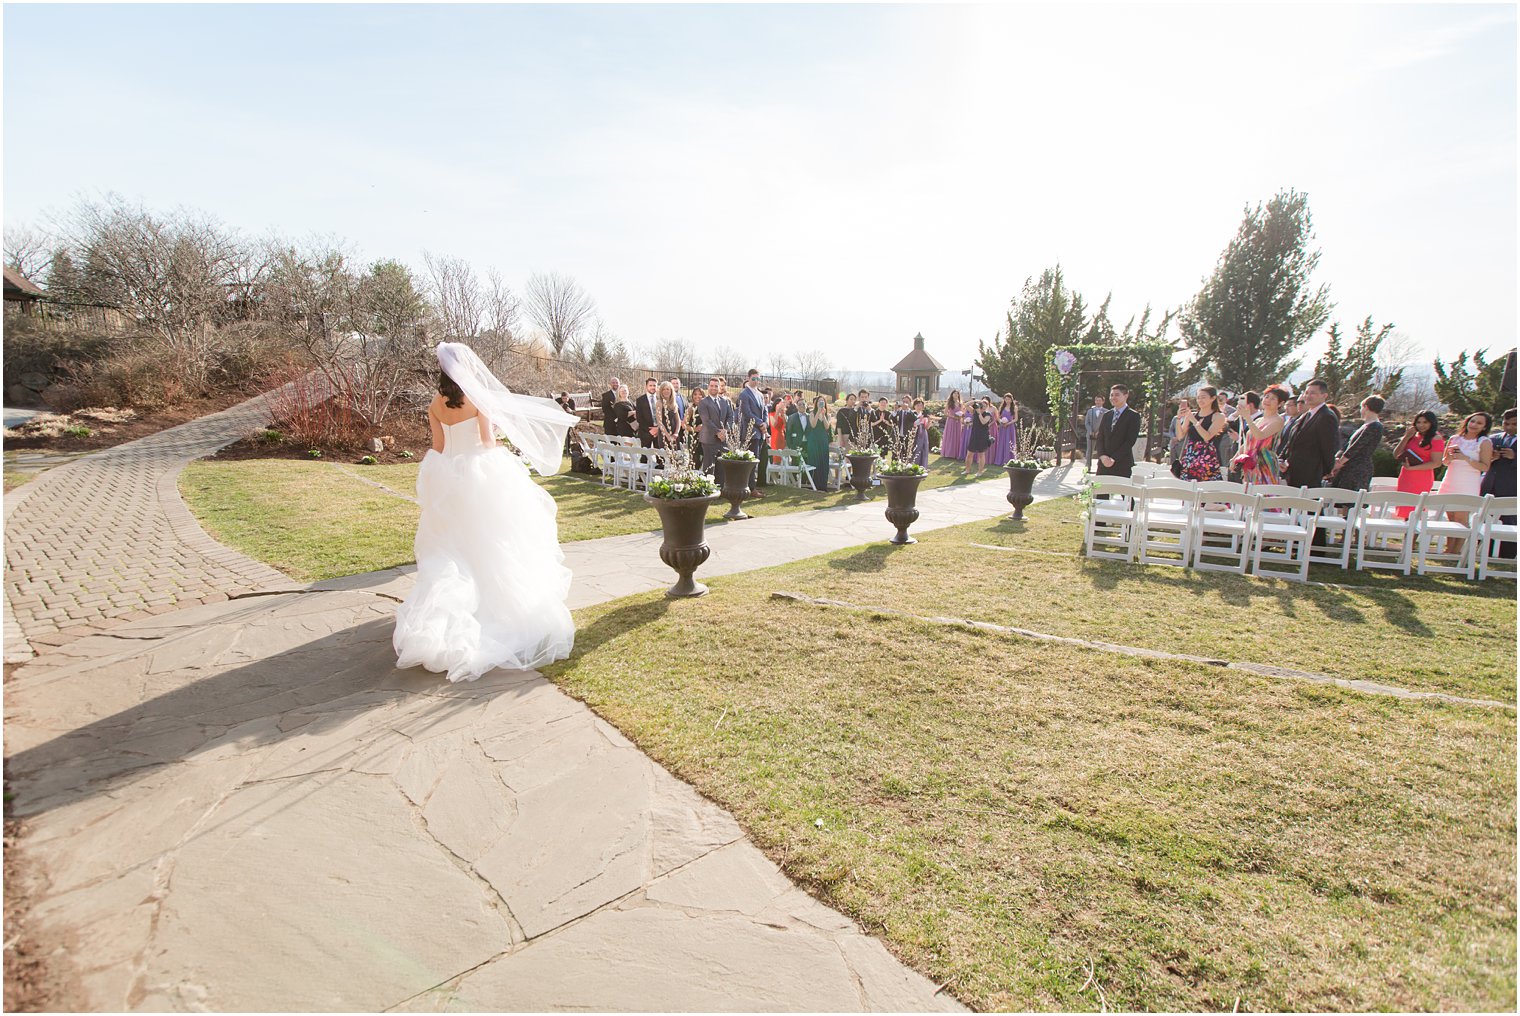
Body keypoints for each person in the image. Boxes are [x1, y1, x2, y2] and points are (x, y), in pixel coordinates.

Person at [393, 342, 576, 682]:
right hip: (479, 476)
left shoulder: (435, 403)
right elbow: (487, 442)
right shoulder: (479, 399)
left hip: (449, 477)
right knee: (493, 542)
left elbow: (439, 447)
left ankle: (444, 622)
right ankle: (494, 612)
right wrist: (503, 444)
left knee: (454, 545)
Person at [1438, 411, 1494, 555]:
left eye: (1479, 423)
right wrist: (1450, 457)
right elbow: (1444, 462)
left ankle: (1457, 552)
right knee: (1450, 518)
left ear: (1484, 427)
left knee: (1461, 518)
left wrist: (1465, 458)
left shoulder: (1484, 442)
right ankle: (1448, 549)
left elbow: (1485, 466)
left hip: (1468, 483)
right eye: (1473, 421)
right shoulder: (1455, 438)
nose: (1474, 425)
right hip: (1450, 480)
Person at [1283, 379, 1340, 490]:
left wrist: (1326, 470)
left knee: (1307, 505)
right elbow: (1292, 441)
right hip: (1294, 471)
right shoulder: (1305, 415)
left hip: (1311, 473)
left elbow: (1329, 446)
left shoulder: (1326, 416)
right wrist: (1283, 459)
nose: (1308, 396)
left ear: (1324, 395)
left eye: (1313, 393)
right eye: (1307, 393)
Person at [1393, 410, 1444, 519]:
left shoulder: (1436, 438)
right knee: (1405, 508)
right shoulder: (1412, 436)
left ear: (1431, 423)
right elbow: (1396, 454)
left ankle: (1414, 534)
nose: (1421, 425)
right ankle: (1407, 534)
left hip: (1421, 477)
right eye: (1418, 422)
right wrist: (1406, 437)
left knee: (1417, 510)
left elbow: (1437, 463)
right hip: (1406, 475)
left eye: (1425, 422)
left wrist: (1413, 468)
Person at [1234, 385, 1289, 486]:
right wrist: (1235, 457)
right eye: (1267, 397)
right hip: (1249, 462)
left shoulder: (1278, 420)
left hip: (1265, 463)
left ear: (1281, 403)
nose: (1268, 400)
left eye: (1273, 399)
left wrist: (1247, 418)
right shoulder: (1259, 420)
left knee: (1265, 494)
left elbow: (1260, 435)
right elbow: (1248, 441)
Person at [1480, 408, 1517, 557]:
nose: (1509, 427)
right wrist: (1491, 457)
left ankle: (1506, 553)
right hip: (1490, 484)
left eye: (1514, 424)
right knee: (1486, 517)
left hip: (1512, 487)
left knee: (1509, 520)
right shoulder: (1494, 439)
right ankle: (1484, 550)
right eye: (1506, 423)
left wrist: (1514, 457)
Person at [1328, 394, 1385, 491]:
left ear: (1366, 407)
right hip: (1348, 466)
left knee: (1347, 501)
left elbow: (1356, 447)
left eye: (1361, 407)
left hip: (1358, 469)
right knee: (1338, 499)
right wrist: (1337, 458)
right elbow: (1348, 445)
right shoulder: (1366, 425)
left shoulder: (1375, 426)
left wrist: (1339, 463)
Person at [1175, 386, 1226, 481]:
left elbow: (1207, 437)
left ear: (1213, 398)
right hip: (1189, 456)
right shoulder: (1192, 415)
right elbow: (1180, 436)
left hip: (1207, 457)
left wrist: (1194, 421)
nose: (1200, 400)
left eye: (1203, 397)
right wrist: (1178, 418)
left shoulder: (1218, 416)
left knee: (1207, 486)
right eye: (1198, 397)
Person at [1096, 384, 1142, 478]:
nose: (1113, 397)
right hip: (1103, 464)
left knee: (1122, 491)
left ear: (1125, 396)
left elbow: (1130, 441)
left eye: (1117, 395)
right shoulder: (1107, 415)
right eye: (1111, 395)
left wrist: (1113, 459)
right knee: (1100, 491)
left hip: (1122, 464)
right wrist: (1102, 456)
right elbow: (1100, 438)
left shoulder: (1133, 416)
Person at [739, 370, 769, 495]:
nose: (756, 381)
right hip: (750, 433)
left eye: (758, 379)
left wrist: (765, 423)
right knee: (751, 462)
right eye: (753, 378)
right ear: (748, 378)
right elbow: (747, 413)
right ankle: (750, 488)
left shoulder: (760, 394)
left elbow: (765, 411)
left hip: (760, 433)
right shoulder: (744, 394)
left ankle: (753, 486)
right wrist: (760, 423)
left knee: (756, 461)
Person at [697, 377, 732, 471]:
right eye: (711, 386)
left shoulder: (725, 401)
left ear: (720, 387)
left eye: (716, 386)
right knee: (709, 468)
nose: (714, 388)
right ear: (708, 387)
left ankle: (720, 486)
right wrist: (718, 432)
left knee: (722, 469)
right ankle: (708, 486)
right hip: (709, 440)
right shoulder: (703, 402)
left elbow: (730, 417)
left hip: (723, 440)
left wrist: (725, 431)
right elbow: (706, 421)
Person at [805, 396, 835, 489]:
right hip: (814, 439)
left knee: (823, 461)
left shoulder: (828, 415)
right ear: (816, 403)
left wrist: (824, 415)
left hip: (823, 439)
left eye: (822, 401)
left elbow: (826, 427)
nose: (821, 403)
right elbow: (813, 425)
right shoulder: (811, 413)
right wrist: (818, 412)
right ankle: (813, 484)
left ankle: (822, 484)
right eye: (819, 402)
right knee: (814, 460)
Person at [965, 397, 994, 476]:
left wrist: (979, 413)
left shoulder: (988, 414)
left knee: (981, 454)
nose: (982, 407)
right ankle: (967, 470)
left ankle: (980, 472)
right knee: (969, 453)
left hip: (983, 436)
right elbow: (966, 405)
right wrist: (975, 401)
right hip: (974, 434)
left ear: (987, 407)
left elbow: (983, 422)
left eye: (984, 406)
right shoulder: (975, 411)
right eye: (981, 405)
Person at [655, 381, 684, 452]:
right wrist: (668, 436)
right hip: (664, 435)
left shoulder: (674, 404)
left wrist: (676, 433)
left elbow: (678, 420)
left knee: (676, 457)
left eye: (668, 389)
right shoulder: (659, 403)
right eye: (663, 389)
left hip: (674, 434)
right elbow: (659, 422)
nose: (666, 391)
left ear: (671, 390)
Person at [634, 377, 660, 450]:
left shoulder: (660, 399)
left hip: (659, 432)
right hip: (646, 432)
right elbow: (639, 418)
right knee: (644, 457)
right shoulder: (640, 400)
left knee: (660, 457)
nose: (652, 387)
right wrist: (651, 431)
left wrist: (657, 429)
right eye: (650, 385)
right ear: (646, 386)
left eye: (654, 385)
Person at [941, 390, 967, 461]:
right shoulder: (950, 403)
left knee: (957, 436)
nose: (956, 395)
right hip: (951, 421)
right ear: (952, 395)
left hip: (958, 422)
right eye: (954, 393)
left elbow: (963, 412)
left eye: (957, 394)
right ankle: (949, 453)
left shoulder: (960, 404)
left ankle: (956, 453)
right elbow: (945, 413)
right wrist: (953, 416)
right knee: (950, 436)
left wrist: (961, 416)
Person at [911, 398, 937, 468]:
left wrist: (929, 421)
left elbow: (927, 427)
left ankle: (922, 466)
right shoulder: (912, 414)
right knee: (915, 448)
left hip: (923, 433)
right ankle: (914, 464)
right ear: (914, 406)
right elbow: (912, 424)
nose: (920, 407)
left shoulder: (924, 415)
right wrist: (920, 419)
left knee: (923, 448)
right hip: (915, 432)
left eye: (921, 405)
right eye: (918, 405)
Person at [992, 393, 1017, 465]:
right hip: (1003, 428)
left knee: (1009, 442)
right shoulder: (1002, 407)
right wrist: (1001, 422)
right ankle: (1000, 460)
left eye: (1008, 399)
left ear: (1011, 399)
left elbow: (1016, 419)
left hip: (1010, 428)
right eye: (1006, 399)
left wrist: (1008, 423)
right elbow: (998, 417)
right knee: (1002, 442)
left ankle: (1009, 460)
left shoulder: (1014, 408)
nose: (1007, 400)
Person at [1084, 395, 1107, 468]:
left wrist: (1100, 432)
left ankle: (1101, 467)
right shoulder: (1090, 411)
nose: (1098, 402)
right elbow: (1087, 423)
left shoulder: (1107, 412)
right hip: (1091, 434)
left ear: (1103, 402)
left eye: (1100, 400)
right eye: (1097, 400)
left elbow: (1106, 424)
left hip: (1102, 434)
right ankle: (1088, 466)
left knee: (1102, 451)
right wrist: (1090, 431)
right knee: (1089, 451)